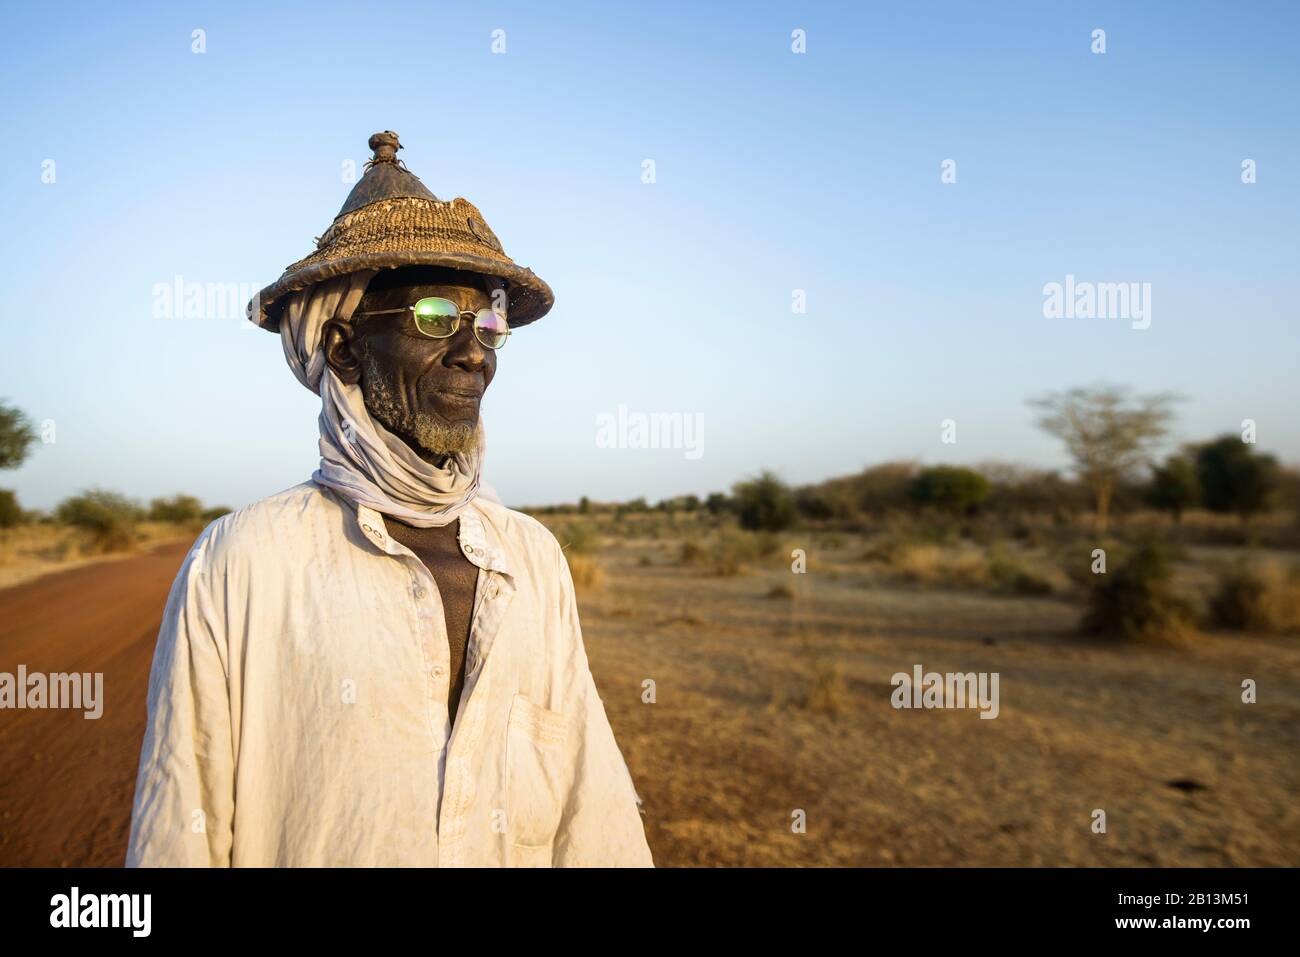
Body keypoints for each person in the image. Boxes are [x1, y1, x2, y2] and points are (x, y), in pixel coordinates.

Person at [124, 131, 653, 867]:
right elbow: (179, 826)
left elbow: (590, 814)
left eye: (488, 325)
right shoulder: (240, 564)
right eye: (437, 317)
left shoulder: (531, 558)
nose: (474, 352)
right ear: (343, 347)